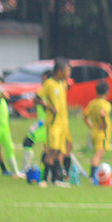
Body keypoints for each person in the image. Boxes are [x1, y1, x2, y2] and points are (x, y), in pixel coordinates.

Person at [37, 58, 71, 187]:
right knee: (52, 150)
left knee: (59, 151)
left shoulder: (62, 84)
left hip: (63, 123)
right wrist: (48, 107)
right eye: (67, 70)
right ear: (60, 71)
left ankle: (56, 179)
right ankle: (44, 179)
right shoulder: (49, 84)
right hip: (53, 123)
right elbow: (37, 99)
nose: (69, 73)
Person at [0, 73, 23, 178]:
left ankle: (15, 172)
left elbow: (7, 97)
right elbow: (6, 95)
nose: (2, 85)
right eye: (0, 83)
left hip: (4, 128)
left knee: (9, 148)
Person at [82, 80, 112, 180]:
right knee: (98, 154)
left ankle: (95, 174)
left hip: (94, 131)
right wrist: (103, 123)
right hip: (101, 133)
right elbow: (103, 114)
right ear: (107, 92)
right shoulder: (106, 104)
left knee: (98, 154)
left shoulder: (92, 103)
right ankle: (93, 175)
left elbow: (85, 117)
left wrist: (91, 126)